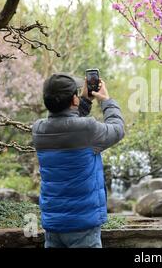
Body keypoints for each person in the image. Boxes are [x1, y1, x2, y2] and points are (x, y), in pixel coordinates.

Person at [32, 73, 125, 248]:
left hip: (53, 225)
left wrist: (83, 102)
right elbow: (118, 129)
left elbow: (66, 125)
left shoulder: (38, 130)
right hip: (83, 226)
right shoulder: (88, 129)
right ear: (74, 100)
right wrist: (106, 100)